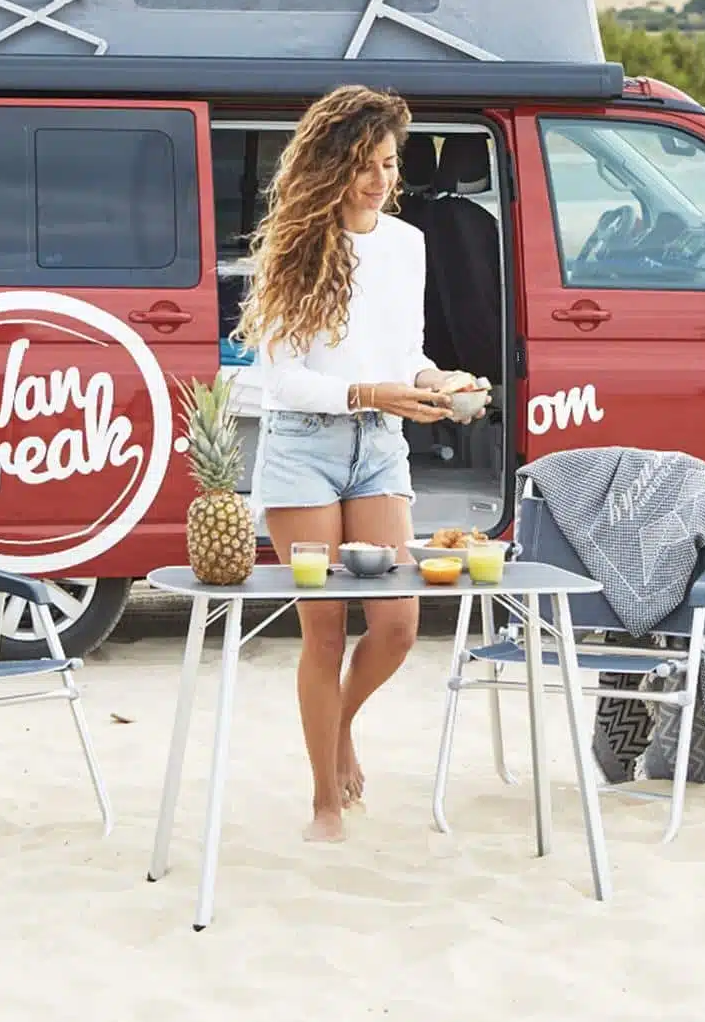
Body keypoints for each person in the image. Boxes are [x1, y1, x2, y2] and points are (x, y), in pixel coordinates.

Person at [235, 85, 489, 843]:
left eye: (388, 164)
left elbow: (404, 352)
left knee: (399, 624)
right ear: (329, 168)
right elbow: (283, 381)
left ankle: (339, 726)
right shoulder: (292, 245)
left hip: (380, 444)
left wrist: (435, 382)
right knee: (323, 633)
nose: (381, 180)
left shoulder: (407, 243)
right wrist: (374, 389)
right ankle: (322, 801)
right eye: (364, 165)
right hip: (303, 448)